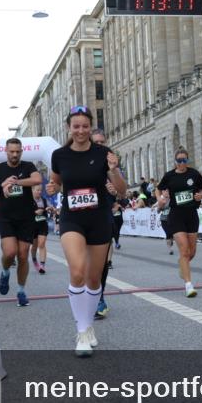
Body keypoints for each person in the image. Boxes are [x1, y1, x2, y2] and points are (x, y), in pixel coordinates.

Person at [46, 106, 127, 356]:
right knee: (78, 271)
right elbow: (56, 182)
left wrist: (113, 170)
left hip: (99, 219)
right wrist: (51, 189)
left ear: (90, 127)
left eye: (84, 126)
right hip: (72, 220)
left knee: (94, 279)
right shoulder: (59, 155)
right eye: (76, 126)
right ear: (69, 128)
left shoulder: (104, 153)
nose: (80, 130)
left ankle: (88, 324)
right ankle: (81, 330)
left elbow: (122, 191)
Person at [0, 138, 43, 307]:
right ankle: (5, 272)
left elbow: (37, 179)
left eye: (18, 151)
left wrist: (15, 182)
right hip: (6, 218)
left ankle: (21, 291)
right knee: (10, 253)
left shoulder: (28, 166)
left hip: (26, 218)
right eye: (12, 151)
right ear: (6, 151)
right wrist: (0, 186)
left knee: (23, 255)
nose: (15, 154)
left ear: (21, 151)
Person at [156, 147, 202, 298]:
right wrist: (160, 198)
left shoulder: (193, 174)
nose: (181, 163)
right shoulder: (169, 176)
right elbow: (158, 189)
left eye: (184, 160)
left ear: (187, 160)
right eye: (179, 160)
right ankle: (188, 285)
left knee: (191, 253)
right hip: (176, 215)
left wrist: (200, 195)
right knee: (184, 251)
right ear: (175, 161)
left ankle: (183, 266)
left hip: (192, 214)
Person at [91, 127, 114, 319]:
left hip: (103, 212)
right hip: (80, 216)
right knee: (83, 262)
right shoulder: (79, 159)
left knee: (102, 262)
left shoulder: (111, 161)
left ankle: (99, 295)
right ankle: (89, 294)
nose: (99, 145)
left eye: (102, 142)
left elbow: (121, 189)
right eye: (95, 142)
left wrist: (114, 188)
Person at [30, 186, 51, 275]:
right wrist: (34, 212)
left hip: (42, 224)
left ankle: (42, 265)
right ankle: (35, 261)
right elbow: (23, 212)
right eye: (37, 190)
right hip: (32, 225)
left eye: (40, 190)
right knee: (34, 246)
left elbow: (50, 208)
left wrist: (50, 209)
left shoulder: (44, 200)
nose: (39, 192)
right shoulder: (28, 200)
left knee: (41, 244)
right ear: (32, 190)